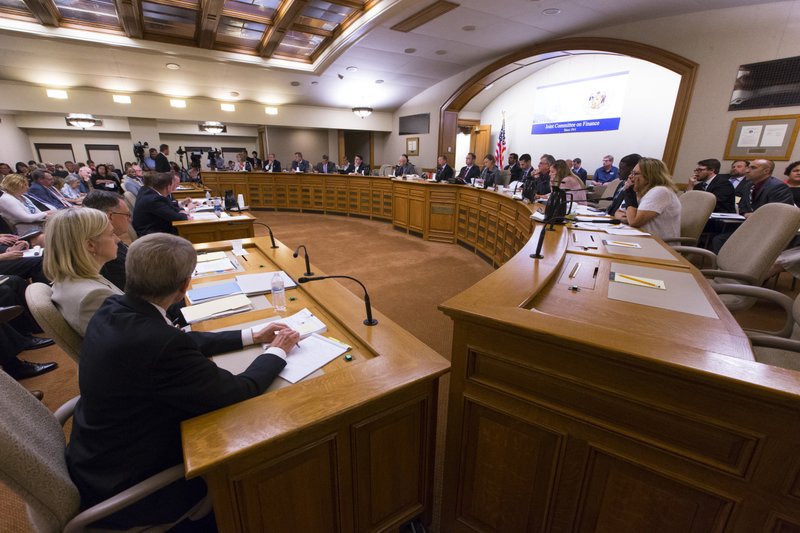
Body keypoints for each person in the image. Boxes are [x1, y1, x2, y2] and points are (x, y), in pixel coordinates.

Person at [67, 233, 300, 530]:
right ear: (184, 286)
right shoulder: (161, 346)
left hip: (98, 454)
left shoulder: (113, 308)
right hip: (134, 487)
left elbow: (179, 339)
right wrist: (279, 349)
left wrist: (251, 335)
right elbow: (238, 391)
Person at [44, 208, 122, 336]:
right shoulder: (94, 296)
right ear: (90, 245)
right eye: (111, 234)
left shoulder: (71, 280)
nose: (117, 239)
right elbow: (128, 344)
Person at [615, 157, 681, 241]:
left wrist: (629, 192)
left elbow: (634, 221)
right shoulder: (641, 191)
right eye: (631, 173)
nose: (630, 176)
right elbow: (618, 212)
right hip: (638, 239)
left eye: (635, 174)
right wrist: (628, 217)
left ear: (649, 176)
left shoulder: (661, 191)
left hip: (660, 246)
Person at [82, 190, 132, 291]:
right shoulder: (106, 254)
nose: (129, 220)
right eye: (127, 215)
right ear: (110, 216)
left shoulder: (99, 243)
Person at [132, 172, 189, 236]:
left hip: (150, 229)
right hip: (152, 234)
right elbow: (177, 217)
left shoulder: (146, 190)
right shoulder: (154, 200)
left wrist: (181, 210)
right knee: (188, 228)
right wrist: (184, 213)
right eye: (173, 185)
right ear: (168, 187)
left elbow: (168, 207)